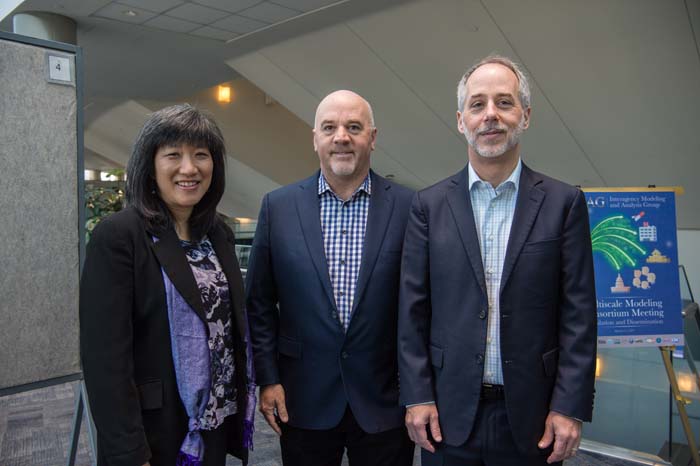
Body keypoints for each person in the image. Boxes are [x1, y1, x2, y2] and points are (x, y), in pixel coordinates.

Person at [398, 55, 597, 466]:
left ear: (525, 115)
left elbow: (579, 315)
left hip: (535, 417)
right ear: (460, 120)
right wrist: (417, 395)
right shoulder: (427, 206)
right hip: (447, 416)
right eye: (478, 104)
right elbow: (412, 312)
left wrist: (568, 405)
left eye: (504, 103)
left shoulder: (564, 204)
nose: (491, 115)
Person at [246, 90, 415, 466]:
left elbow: (422, 306)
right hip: (301, 398)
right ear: (315, 138)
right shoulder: (278, 207)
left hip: (384, 402)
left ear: (372, 138)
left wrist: (418, 392)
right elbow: (258, 303)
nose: (342, 137)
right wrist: (268, 378)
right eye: (330, 127)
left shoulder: (410, 208)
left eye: (354, 127)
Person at [80, 104, 255, 466]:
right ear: (150, 165)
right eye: (173, 155)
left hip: (214, 421)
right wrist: (129, 452)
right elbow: (105, 359)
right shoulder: (119, 235)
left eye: (201, 155)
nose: (189, 168)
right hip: (154, 431)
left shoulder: (218, 234)